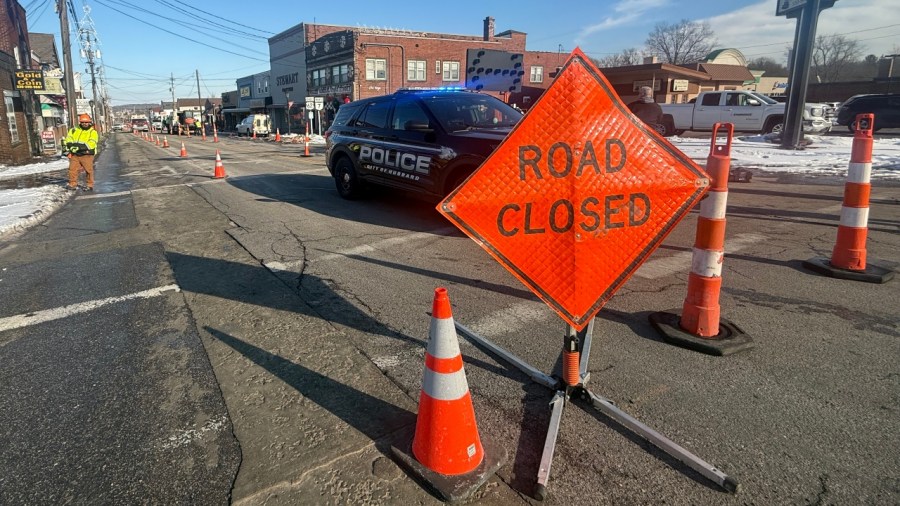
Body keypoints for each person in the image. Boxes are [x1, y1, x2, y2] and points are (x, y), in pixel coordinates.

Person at [63, 113, 99, 191]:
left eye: (86, 122)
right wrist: (70, 146)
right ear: (80, 122)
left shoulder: (92, 132)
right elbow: (68, 139)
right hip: (75, 154)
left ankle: (89, 185)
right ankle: (72, 184)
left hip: (87, 154)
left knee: (88, 170)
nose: (84, 124)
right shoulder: (74, 130)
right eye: (82, 122)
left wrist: (79, 147)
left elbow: (92, 143)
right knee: (72, 169)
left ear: (89, 122)